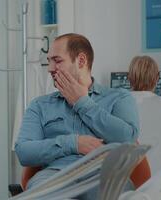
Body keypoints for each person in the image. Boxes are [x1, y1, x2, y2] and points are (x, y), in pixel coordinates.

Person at [15, 33, 140, 199]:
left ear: (81, 61)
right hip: (54, 176)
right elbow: (24, 152)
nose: (50, 68)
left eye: (57, 60)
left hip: (103, 175)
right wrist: (73, 143)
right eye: (49, 61)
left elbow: (128, 138)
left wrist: (81, 102)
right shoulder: (40, 105)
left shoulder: (119, 98)